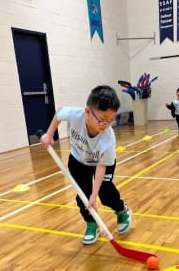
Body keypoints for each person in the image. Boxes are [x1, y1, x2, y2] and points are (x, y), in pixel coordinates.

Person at [40, 85, 132, 245]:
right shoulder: (75, 114)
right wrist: (49, 134)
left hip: (102, 162)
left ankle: (122, 211)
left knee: (105, 192)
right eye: (102, 119)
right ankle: (91, 224)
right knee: (82, 196)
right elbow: (59, 113)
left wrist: (94, 195)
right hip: (78, 159)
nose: (106, 124)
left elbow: (102, 167)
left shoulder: (108, 139)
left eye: (111, 120)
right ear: (88, 112)